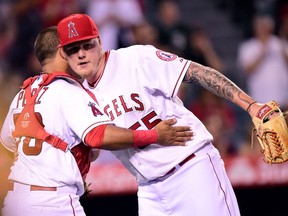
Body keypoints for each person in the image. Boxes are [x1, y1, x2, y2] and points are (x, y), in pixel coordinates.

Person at [57, 13, 268, 216]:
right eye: (73, 49)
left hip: (190, 167)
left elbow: (196, 72)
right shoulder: (80, 97)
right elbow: (93, 150)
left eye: (87, 45)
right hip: (149, 189)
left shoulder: (135, 59)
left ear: (100, 42)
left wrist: (251, 106)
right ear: (64, 55)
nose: (81, 54)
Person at [0, 26, 193, 216]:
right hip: (53, 202)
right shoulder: (69, 92)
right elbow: (98, 136)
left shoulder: (22, 95)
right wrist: (154, 135)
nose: (77, 54)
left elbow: (7, 146)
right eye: (72, 48)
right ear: (62, 52)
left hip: (16, 200)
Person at [237, 14, 288, 109]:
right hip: (259, 100)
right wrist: (262, 52)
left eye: (265, 26)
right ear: (255, 28)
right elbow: (247, 70)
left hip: (283, 99)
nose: (263, 29)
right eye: (260, 26)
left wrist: (282, 41)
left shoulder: (279, 43)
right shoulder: (248, 47)